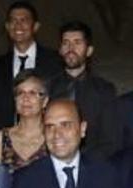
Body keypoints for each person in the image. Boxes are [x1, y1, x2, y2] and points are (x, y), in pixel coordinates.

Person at [47, 21, 120, 160]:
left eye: (77, 43)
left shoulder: (104, 90)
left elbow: (111, 140)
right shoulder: (48, 87)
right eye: (66, 43)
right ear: (60, 49)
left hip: (93, 167)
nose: (70, 48)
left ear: (89, 50)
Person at [0, 1, 63, 134]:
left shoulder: (55, 61)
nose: (18, 25)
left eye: (24, 20)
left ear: (35, 26)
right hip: (8, 138)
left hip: (46, 137)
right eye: (13, 20)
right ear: (7, 26)